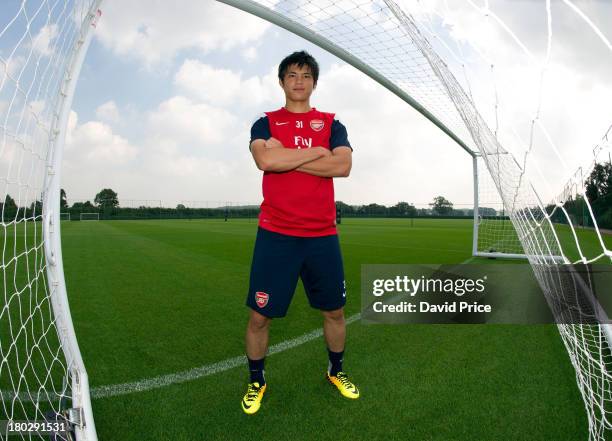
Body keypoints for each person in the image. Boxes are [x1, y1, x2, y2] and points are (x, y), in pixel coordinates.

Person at [241, 50, 359, 415]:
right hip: (276, 234)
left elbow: (343, 167)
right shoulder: (265, 123)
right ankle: (257, 381)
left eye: (305, 75)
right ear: (281, 81)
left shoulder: (332, 123)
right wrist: (316, 155)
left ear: (314, 82)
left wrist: (290, 156)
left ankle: (335, 371)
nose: (298, 81)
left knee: (335, 312)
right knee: (260, 316)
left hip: (322, 235)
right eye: (291, 75)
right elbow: (266, 161)